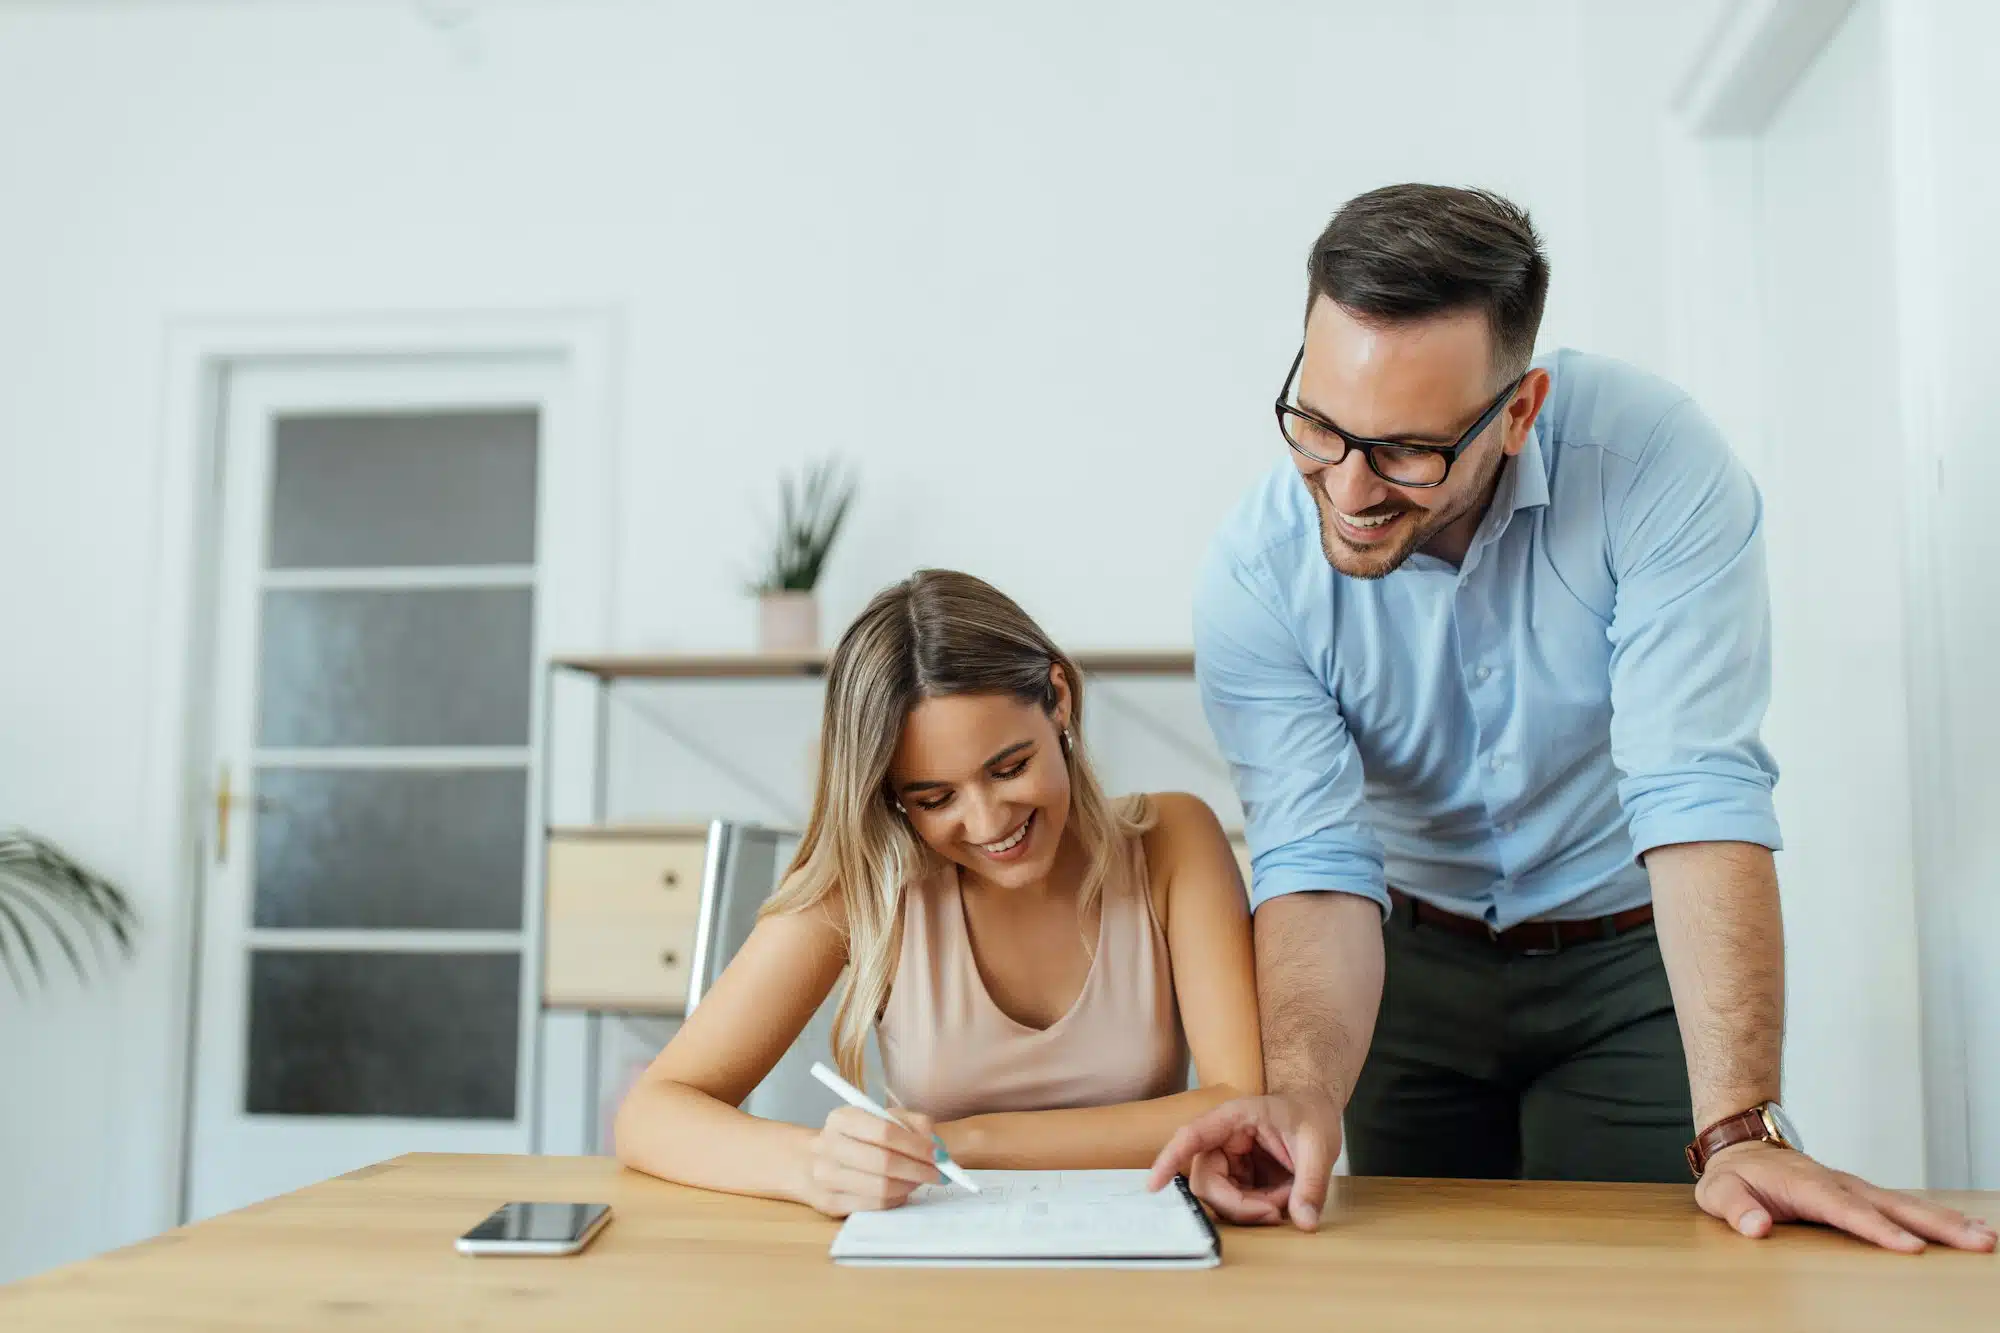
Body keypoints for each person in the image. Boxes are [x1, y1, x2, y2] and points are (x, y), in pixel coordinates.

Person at [1148, 184, 1995, 1255]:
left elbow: (1693, 790)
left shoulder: (1654, 469)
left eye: (1406, 450)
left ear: (1518, 408)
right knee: (1421, 1285)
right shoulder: (1255, 573)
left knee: (1650, 1281)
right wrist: (1303, 1091)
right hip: (1400, 965)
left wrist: (1741, 1126)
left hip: (1624, 962)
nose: (1348, 488)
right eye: (1316, 425)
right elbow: (1313, 861)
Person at [616, 569, 1262, 1217]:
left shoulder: (1171, 840)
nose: (987, 823)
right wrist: (813, 1165)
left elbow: (1242, 1102)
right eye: (935, 798)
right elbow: (652, 1111)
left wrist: (966, 1139)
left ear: (1058, 698)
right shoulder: (868, 882)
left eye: (1009, 768)